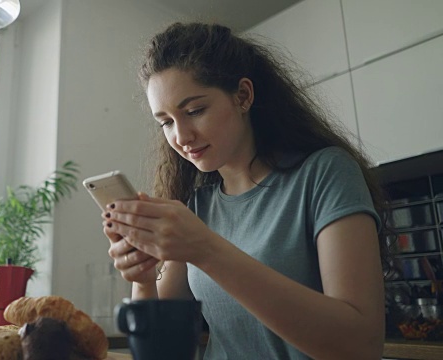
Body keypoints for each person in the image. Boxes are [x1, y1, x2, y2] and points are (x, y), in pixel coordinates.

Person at [102, 22, 392, 359]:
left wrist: (206, 249)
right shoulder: (197, 208)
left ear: (243, 96)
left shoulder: (326, 173)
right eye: (166, 122)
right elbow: (161, 351)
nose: (181, 136)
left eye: (195, 111)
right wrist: (144, 277)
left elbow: (361, 346)